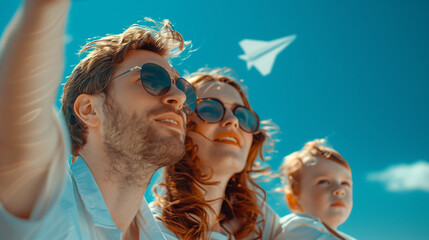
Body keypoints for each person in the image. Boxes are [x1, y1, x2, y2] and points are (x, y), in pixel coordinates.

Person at [0, 0, 196, 239]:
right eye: (153, 80)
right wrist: (45, 8)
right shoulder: (47, 198)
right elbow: (19, 110)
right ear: (89, 109)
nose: (178, 97)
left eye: (183, 89)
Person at [152, 68, 282, 240]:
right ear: (179, 125)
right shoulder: (151, 229)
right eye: (210, 110)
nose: (233, 121)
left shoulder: (264, 228)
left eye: (243, 116)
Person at [276, 139, 355, 240]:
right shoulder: (296, 227)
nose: (340, 190)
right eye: (323, 182)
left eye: (345, 183)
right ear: (294, 201)